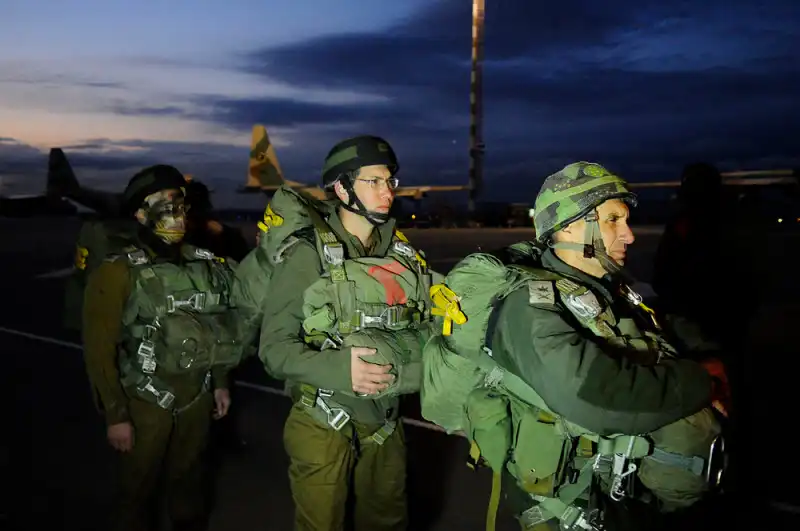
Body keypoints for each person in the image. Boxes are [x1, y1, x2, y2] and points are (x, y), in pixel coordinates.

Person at [421, 162, 730, 531]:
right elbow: (597, 397)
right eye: (613, 220)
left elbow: (647, 324)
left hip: (623, 492)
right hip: (574, 506)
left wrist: (704, 351)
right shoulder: (529, 309)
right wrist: (701, 381)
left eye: (626, 220)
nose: (629, 235)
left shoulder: (597, 284)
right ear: (569, 226)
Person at [236, 135, 437, 531]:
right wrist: (341, 370)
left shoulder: (399, 253)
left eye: (390, 181)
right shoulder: (307, 255)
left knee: (388, 521)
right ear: (342, 189)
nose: (387, 192)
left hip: (385, 421)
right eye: (373, 182)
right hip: (324, 420)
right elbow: (274, 349)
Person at [81, 164, 245, 531]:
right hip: (146, 402)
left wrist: (220, 381)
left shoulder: (202, 264)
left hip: (197, 397)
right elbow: (99, 349)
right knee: (136, 490)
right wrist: (116, 415)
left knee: (190, 484)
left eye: (181, 206)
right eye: (165, 206)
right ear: (141, 214)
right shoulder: (118, 271)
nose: (178, 215)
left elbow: (216, 324)